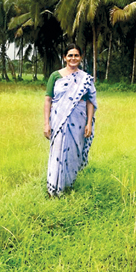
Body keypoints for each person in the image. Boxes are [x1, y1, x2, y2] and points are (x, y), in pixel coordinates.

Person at [43, 44, 97, 197]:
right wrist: (46, 123)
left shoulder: (85, 79)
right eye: (70, 55)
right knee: (58, 150)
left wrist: (89, 123)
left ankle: (68, 185)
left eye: (76, 55)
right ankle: (53, 187)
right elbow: (48, 100)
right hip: (58, 119)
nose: (73, 58)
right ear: (64, 58)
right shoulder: (56, 76)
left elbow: (90, 102)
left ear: (80, 58)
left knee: (74, 150)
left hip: (78, 120)